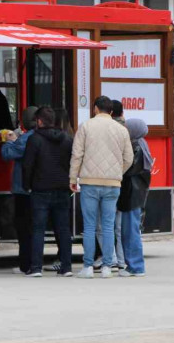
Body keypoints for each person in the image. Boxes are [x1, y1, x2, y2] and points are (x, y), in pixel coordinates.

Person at [69, 95, 133, 279]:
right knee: (108, 226)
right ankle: (107, 267)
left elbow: (77, 154)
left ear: (95, 108)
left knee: (89, 226)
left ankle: (88, 267)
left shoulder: (86, 126)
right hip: (112, 184)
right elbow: (129, 158)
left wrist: (73, 177)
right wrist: (116, 172)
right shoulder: (121, 130)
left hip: (89, 182)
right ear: (111, 111)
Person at [22, 107, 75, 277]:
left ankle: (36, 267)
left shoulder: (34, 139)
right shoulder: (67, 139)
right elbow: (71, 163)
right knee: (63, 230)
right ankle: (66, 267)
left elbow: (28, 165)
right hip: (62, 189)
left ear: (39, 121)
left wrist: (27, 185)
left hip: (40, 190)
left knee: (38, 229)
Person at [1, 106, 39, 274]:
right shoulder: (42, 136)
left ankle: (26, 265)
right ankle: (34, 263)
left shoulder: (25, 140)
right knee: (35, 227)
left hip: (23, 189)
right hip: (40, 188)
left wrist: (9, 140)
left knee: (24, 229)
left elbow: (7, 154)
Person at [117, 118, 152, 277]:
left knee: (130, 231)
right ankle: (133, 265)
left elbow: (128, 170)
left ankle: (136, 266)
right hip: (135, 194)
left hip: (132, 194)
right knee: (130, 230)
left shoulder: (136, 146)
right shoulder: (141, 144)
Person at [95, 98, 126, 270]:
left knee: (101, 224)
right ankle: (120, 260)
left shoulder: (97, 129)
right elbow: (127, 157)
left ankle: (110, 257)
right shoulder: (124, 130)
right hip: (118, 181)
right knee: (117, 226)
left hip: (101, 180)